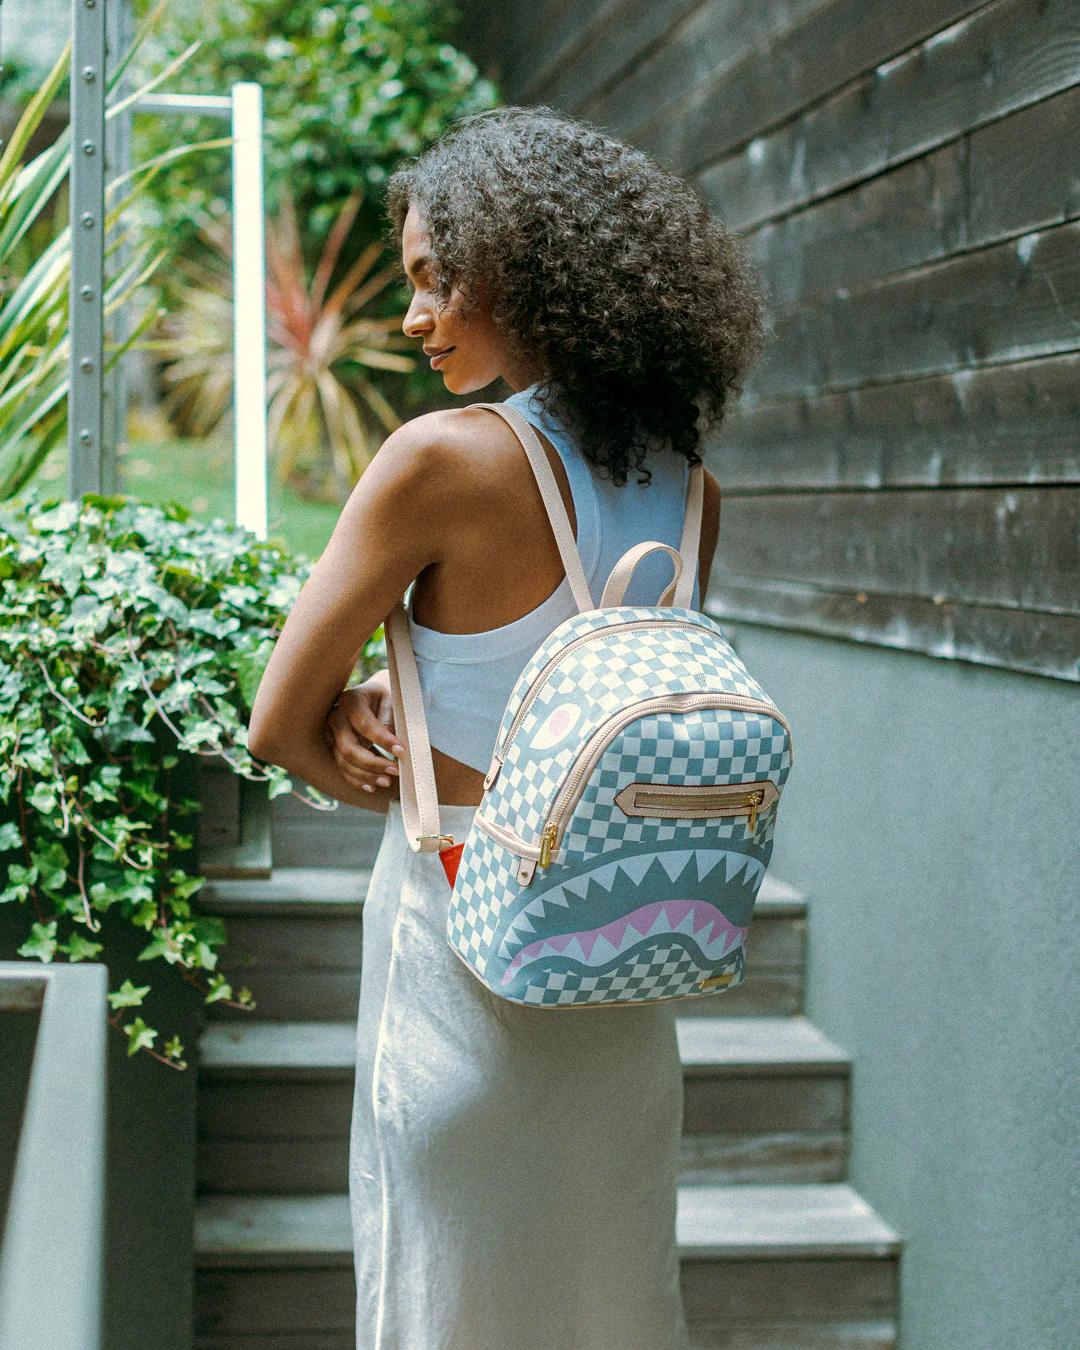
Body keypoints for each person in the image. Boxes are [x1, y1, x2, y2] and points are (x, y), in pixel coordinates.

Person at [248, 104, 764, 1350]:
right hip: (624, 988)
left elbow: (277, 726)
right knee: (608, 1313)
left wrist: (377, 748)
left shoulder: (438, 461)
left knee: (445, 1309)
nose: (412, 316)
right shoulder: (691, 492)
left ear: (526, 268)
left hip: (461, 959)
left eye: (438, 279)